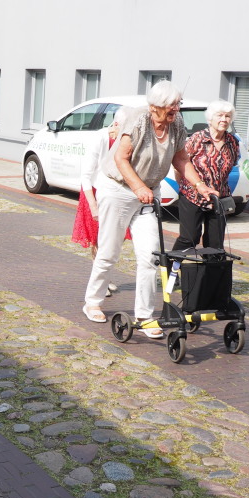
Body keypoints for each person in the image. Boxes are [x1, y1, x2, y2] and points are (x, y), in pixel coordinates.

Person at [82, 81, 217, 336]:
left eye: (178, 104)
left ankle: (144, 317)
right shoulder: (138, 119)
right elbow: (121, 158)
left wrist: (200, 185)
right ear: (155, 106)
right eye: (172, 105)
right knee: (109, 252)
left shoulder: (176, 124)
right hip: (119, 190)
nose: (176, 109)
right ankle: (93, 302)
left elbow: (181, 158)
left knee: (150, 256)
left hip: (148, 194)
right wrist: (138, 187)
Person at [72, 107, 129, 295]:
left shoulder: (127, 139)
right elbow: (86, 175)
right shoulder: (101, 138)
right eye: (126, 127)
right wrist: (93, 205)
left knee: (114, 238)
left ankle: (104, 276)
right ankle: (101, 282)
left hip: (116, 191)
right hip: (94, 191)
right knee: (98, 239)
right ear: (117, 124)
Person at [172, 100, 241, 252]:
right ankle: (172, 266)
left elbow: (231, 165)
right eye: (220, 115)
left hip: (219, 197)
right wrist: (186, 187)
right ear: (210, 118)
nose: (224, 119)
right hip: (192, 196)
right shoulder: (197, 139)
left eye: (227, 116)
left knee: (215, 243)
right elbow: (180, 165)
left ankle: (210, 268)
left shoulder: (233, 142)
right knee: (189, 238)